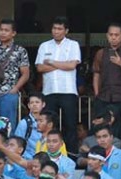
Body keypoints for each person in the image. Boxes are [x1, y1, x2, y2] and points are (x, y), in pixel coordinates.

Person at [35, 16, 81, 154]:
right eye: (54, 28)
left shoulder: (73, 45)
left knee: (70, 125)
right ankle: (48, 154)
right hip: (49, 91)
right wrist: (62, 64)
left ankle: (71, 155)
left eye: (60, 29)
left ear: (66, 30)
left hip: (68, 91)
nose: (56, 31)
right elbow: (39, 68)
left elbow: (72, 65)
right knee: (50, 126)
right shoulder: (44, 45)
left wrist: (52, 62)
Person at [93, 23, 121, 147]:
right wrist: (96, 94)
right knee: (101, 128)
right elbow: (96, 74)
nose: (113, 38)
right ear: (107, 36)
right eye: (111, 35)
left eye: (116, 35)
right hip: (104, 97)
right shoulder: (101, 53)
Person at [13, 93, 46, 159]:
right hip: (28, 159)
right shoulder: (24, 123)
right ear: (28, 105)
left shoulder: (47, 121)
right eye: (32, 103)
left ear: (43, 104)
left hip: (45, 159)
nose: (34, 105)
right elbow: (17, 144)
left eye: (37, 102)